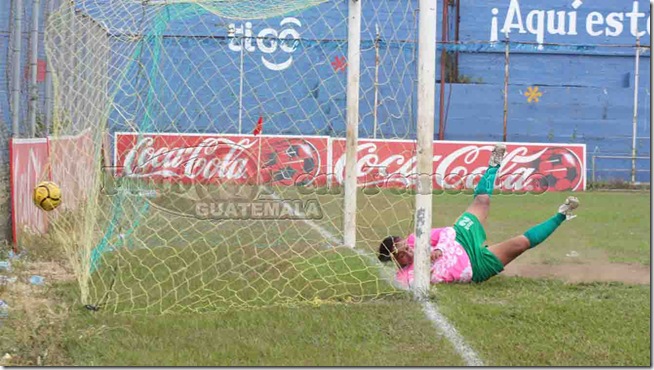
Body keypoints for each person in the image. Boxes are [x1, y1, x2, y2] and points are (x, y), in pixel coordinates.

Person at [377, 143, 580, 286]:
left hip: (462, 239)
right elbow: (415, 286)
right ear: (397, 261)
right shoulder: (404, 276)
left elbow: (447, 232)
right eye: (402, 255)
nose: (408, 252)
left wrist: (437, 250)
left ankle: (493, 164)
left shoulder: (417, 239)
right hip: (475, 267)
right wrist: (424, 268)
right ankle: (562, 214)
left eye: (406, 247)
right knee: (520, 244)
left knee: (482, 201)